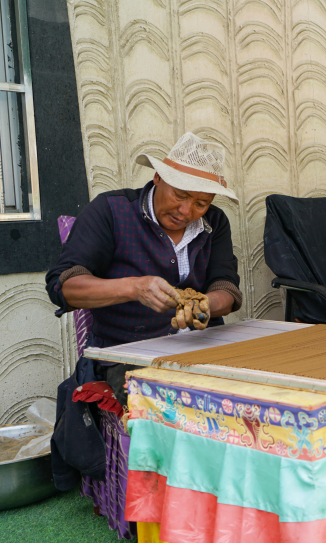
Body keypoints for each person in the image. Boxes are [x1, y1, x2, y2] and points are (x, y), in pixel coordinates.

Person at [46, 132, 242, 400]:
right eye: (180, 195)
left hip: (203, 348)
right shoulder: (111, 211)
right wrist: (134, 288)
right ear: (158, 177)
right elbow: (64, 286)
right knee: (178, 403)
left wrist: (205, 304)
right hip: (128, 355)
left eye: (201, 203)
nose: (186, 211)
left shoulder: (215, 222)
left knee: (258, 393)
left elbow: (227, 288)